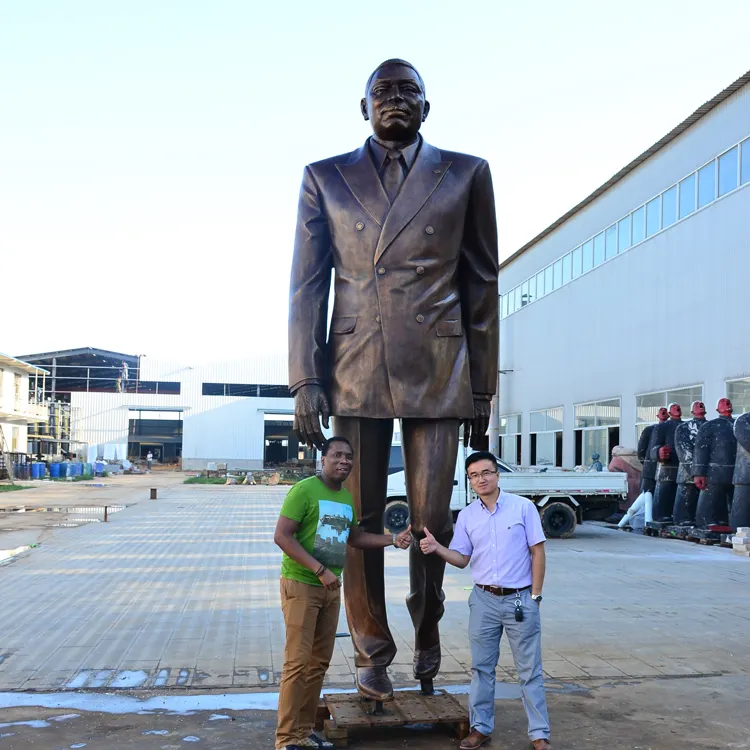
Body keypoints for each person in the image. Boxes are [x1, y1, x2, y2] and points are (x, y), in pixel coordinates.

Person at [289, 57, 498, 700]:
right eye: (383, 91)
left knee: (432, 517)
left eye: (410, 92)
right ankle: (370, 650)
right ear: (364, 107)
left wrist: (482, 387)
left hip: (439, 368)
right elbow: (306, 286)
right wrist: (304, 378)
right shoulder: (324, 178)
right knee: (356, 520)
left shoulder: (465, 173)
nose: (396, 101)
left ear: (427, 109)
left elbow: (482, 285)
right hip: (354, 368)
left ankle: (428, 635)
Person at [273, 437, 413, 750]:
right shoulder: (304, 490)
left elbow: (355, 538)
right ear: (322, 459)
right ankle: (285, 739)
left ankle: (304, 732)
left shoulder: (346, 499)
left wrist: (393, 540)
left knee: (318, 663)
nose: (344, 461)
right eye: (337, 455)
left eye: (349, 456)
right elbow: (282, 536)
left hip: (330, 589)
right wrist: (319, 570)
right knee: (297, 663)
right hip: (302, 585)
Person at [420, 451, 551, 750]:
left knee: (530, 670)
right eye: (474, 475)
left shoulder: (523, 508)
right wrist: (438, 547)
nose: (481, 479)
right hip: (483, 601)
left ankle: (539, 734)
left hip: (520, 600)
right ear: (469, 480)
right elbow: (462, 559)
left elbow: (538, 553)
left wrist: (536, 596)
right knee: (481, 668)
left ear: (497, 475)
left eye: (486, 472)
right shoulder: (467, 516)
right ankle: (480, 728)